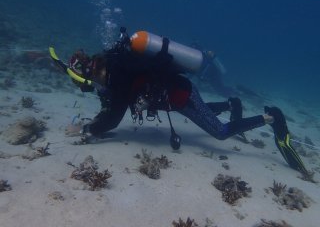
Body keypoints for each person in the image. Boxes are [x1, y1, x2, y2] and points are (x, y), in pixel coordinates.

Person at [49, 27, 308, 175]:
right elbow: (109, 106)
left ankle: (271, 118)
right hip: (175, 100)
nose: (90, 86)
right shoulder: (112, 68)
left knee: (219, 132)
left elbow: (114, 116)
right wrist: (94, 125)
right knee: (202, 112)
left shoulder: (118, 74)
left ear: (91, 71)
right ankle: (231, 104)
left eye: (84, 80)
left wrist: (87, 129)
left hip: (182, 97)